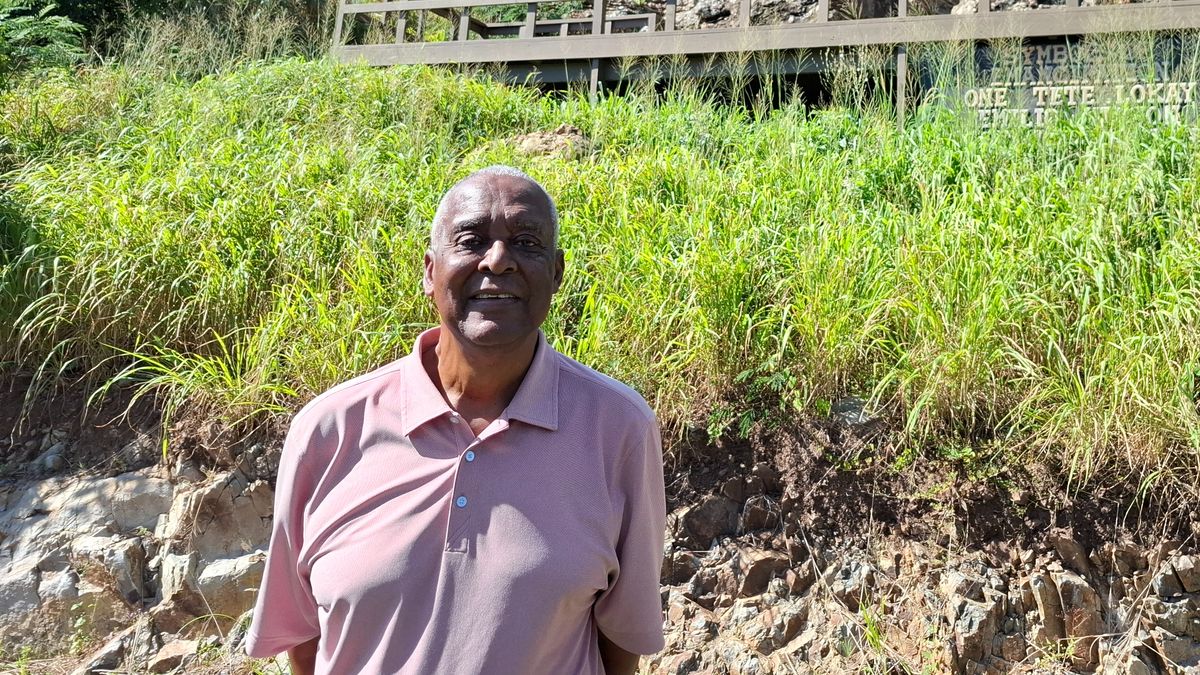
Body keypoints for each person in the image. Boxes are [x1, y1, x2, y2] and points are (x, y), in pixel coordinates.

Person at [245, 165, 666, 675]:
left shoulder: (618, 429)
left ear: (556, 273)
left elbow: (620, 643)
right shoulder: (328, 430)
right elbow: (305, 639)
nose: (498, 260)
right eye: (471, 240)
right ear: (429, 272)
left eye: (526, 243)